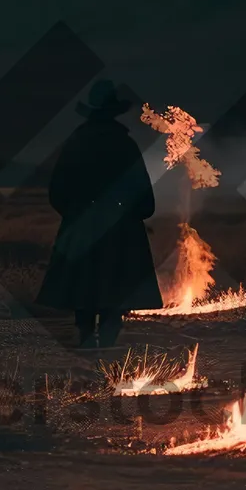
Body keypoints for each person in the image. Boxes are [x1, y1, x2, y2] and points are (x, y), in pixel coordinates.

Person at [36, 79, 162, 347]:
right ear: (113, 112)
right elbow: (140, 187)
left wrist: (74, 215)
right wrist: (138, 212)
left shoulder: (76, 143)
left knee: (83, 285)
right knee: (114, 288)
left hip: (82, 225)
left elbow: (57, 189)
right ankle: (105, 341)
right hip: (119, 227)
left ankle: (85, 336)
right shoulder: (123, 144)